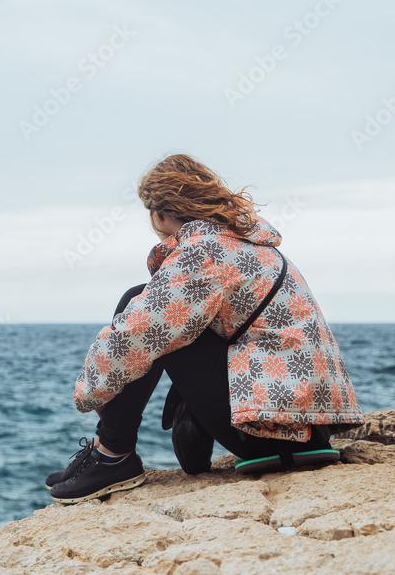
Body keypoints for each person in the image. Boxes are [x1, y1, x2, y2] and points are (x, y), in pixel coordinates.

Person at [46, 154, 365, 504]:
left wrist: (93, 392)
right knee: (168, 315)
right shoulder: (252, 245)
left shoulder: (203, 252)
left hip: (270, 433)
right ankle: (111, 453)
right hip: (312, 430)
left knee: (139, 302)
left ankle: (112, 455)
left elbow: (137, 335)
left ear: (160, 213)